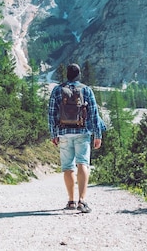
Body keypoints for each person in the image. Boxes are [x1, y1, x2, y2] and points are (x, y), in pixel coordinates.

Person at [48, 63, 102, 213]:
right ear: (79, 75)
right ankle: (82, 201)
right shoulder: (86, 89)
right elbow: (94, 114)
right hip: (83, 132)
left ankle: (71, 201)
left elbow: (52, 113)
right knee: (82, 164)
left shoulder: (58, 90)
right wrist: (97, 135)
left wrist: (54, 134)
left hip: (64, 133)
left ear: (67, 75)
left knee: (67, 167)